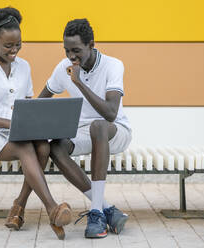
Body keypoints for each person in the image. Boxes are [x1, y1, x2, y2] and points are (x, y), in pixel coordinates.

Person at [0, 7, 71, 240]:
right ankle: (52, 208)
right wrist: (12, 124)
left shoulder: (24, 67)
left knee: (43, 146)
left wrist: (41, 123)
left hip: (17, 130)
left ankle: (18, 206)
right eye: (8, 46)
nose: (14, 51)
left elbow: (27, 105)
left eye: (18, 45)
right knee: (24, 146)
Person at [40, 18, 132, 238]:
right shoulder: (63, 69)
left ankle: (96, 212)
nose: (71, 57)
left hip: (114, 130)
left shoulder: (113, 65)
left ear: (91, 44)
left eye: (77, 51)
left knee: (98, 126)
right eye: (66, 51)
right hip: (82, 131)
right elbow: (41, 101)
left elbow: (110, 112)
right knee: (56, 147)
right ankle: (106, 208)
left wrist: (79, 83)